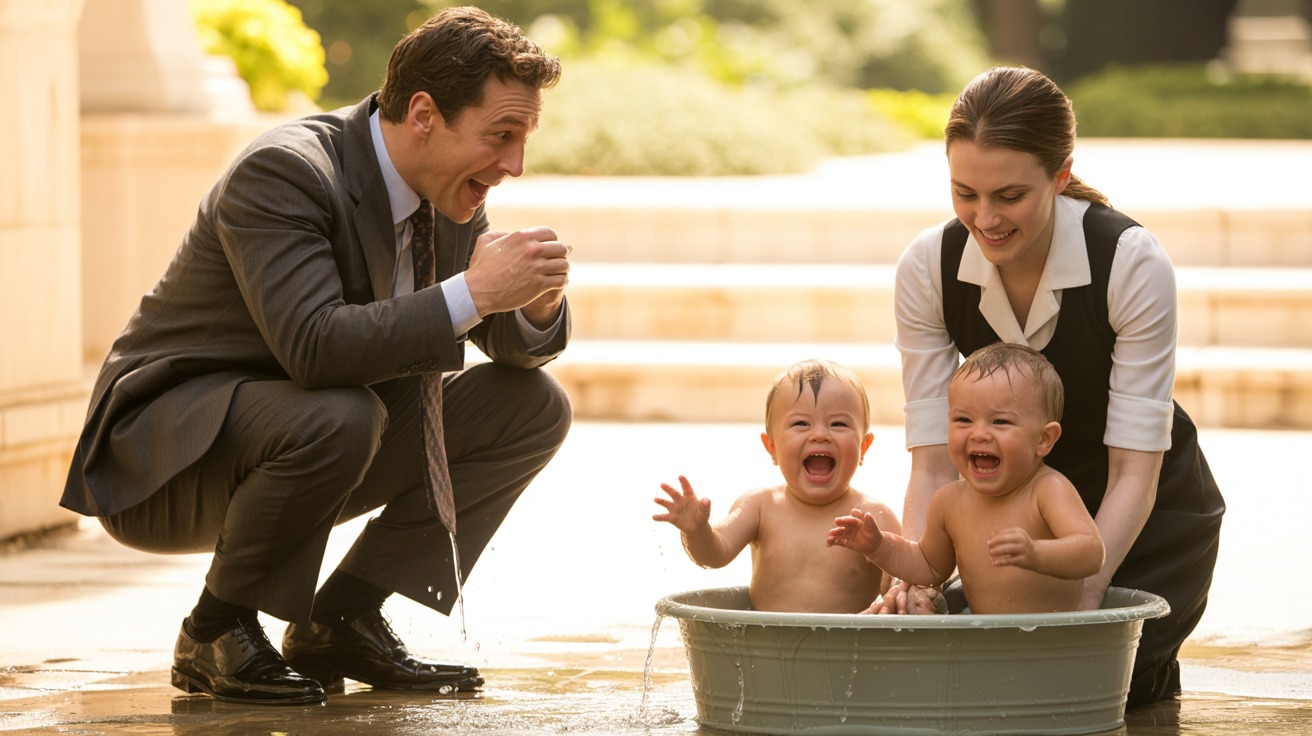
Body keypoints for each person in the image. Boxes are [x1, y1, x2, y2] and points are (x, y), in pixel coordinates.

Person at [60, 7, 573, 705]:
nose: (514, 165)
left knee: (532, 406)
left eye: (524, 139)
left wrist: (534, 304)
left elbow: (494, 338)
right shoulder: (286, 171)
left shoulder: (447, 192)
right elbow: (315, 347)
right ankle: (216, 630)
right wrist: (476, 292)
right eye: (501, 136)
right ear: (424, 114)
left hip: (309, 433)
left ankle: (342, 620)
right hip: (164, 456)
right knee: (341, 411)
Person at [888, 65, 1224, 703]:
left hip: (1144, 516)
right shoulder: (927, 268)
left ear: (1061, 174)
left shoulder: (1131, 261)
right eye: (965, 193)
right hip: (1008, 510)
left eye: (1009, 196)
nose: (984, 219)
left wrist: (1082, 608)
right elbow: (933, 461)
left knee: (1113, 694)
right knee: (968, 687)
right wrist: (920, 579)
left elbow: (1135, 471)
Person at [828, 343, 1104, 614]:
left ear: (1043, 440)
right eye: (963, 420)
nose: (979, 433)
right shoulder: (950, 502)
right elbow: (927, 566)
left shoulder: (1047, 490)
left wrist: (1037, 553)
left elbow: (1091, 552)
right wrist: (879, 547)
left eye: (1000, 422)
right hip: (985, 643)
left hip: (1058, 643)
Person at [652, 359, 901, 614]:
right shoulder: (760, 506)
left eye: (838, 424)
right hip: (767, 648)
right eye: (801, 424)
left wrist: (895, 585)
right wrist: (697, 532)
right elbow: (715, 555)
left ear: (863, 447)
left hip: (849, 650)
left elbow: (903, 581)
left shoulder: (874, 516)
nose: (819, 434)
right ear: (771, 447)